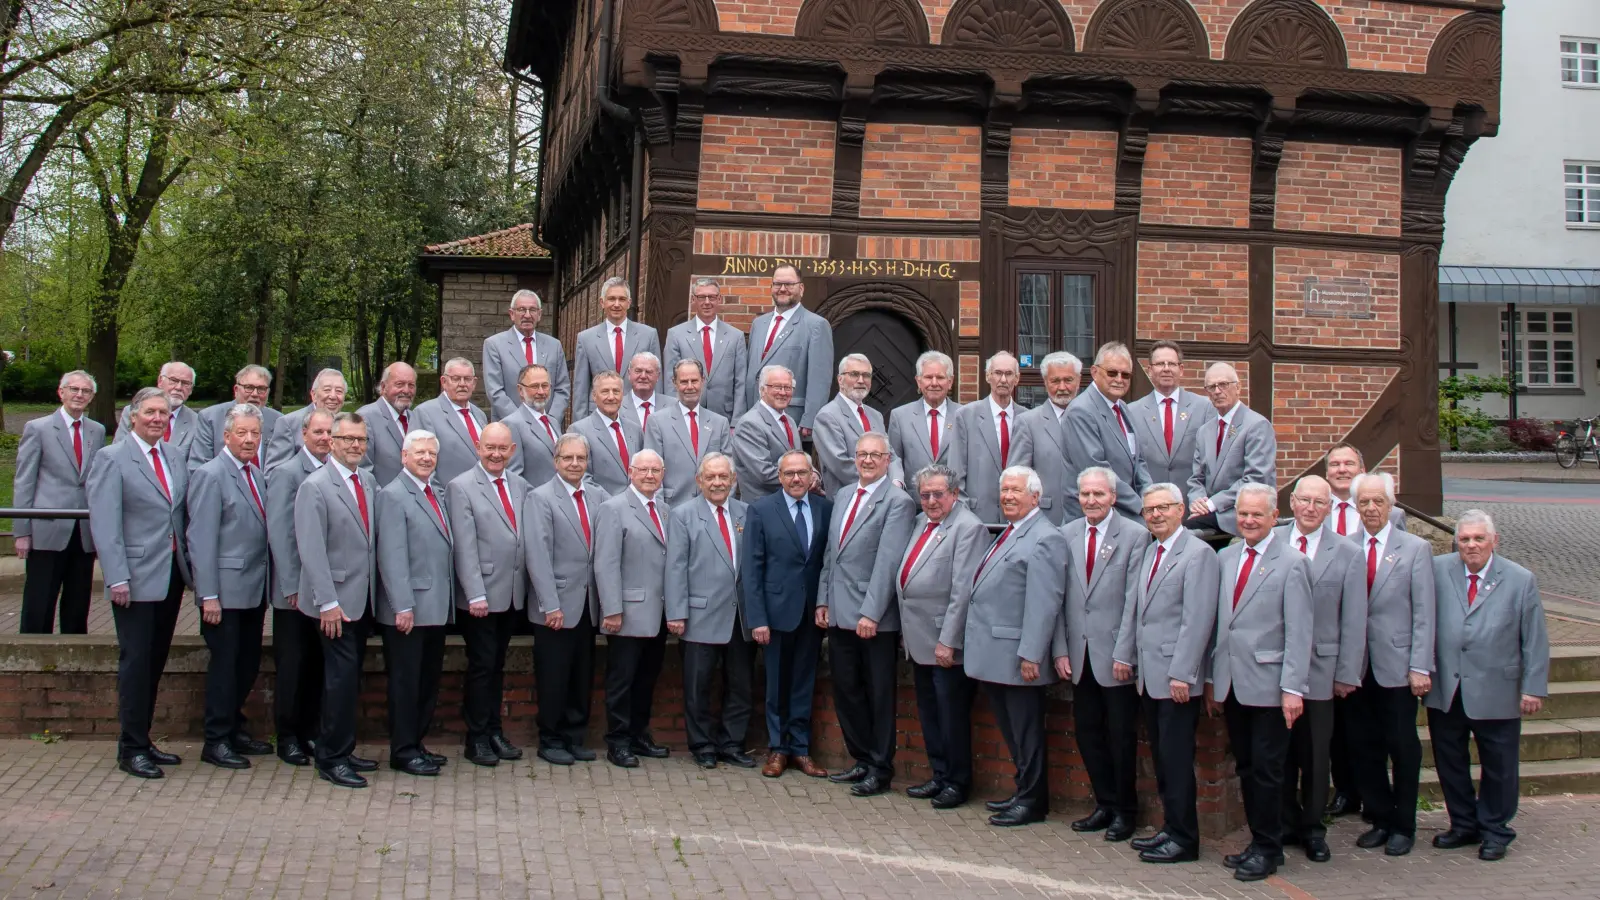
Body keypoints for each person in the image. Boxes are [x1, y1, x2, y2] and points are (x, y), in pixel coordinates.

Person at [1425, 510, 1549, 862]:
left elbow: (1534, 639)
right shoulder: (1437, 570)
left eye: (1479, 538)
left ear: (1495, 541)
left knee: (1499, 764)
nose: (1471, 545)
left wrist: (1533, 687)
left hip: (1498, 687)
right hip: (1448, 687)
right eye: (1464, 539)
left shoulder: (1519, 579)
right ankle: (1463, 823)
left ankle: (1496, 829)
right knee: (1450, 760)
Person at [1207, 483, 1313, 882]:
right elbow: (1221, 624)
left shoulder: (1292, 562)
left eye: (1256, 514)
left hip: (1271, 686)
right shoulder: (1226, 557)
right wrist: (1214, 681)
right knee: (1248, 768)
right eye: (1243, 514)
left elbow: (1299, 632)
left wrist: (1292, 689)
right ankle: (1258, 841)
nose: (1248, 520)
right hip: (1234, 683)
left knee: (1269, 771)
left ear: (1273, 517)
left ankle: (1269, 848)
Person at [88, 387, 193, 779]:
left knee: (154, 660)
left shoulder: (173, 456)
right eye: (149, 412)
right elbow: (106, 524)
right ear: (132, 416)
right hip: (132, 578)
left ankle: (144, 738)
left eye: (163, 413)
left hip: (169, 575)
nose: (157, 418)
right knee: (135, 662)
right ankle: (130, 748)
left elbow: (177, 515)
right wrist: (116, 576)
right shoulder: (112, 458)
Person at [1113, 482, 1220, 863]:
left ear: (1182, 509)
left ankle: (1185, 839)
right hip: (1149, 675)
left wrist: (1184, 674)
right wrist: (1125, 654)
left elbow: (1197, 620)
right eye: (1149, 509)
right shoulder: (1150, 550)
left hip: (1176, 679)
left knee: (1176, 761)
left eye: (1163, 507)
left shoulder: (1198, 554)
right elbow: (1135, 608)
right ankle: (1170, 828)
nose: (1155, 514)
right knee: (1161, 758)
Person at [964, 466, 1066, 827]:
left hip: (1018, 656)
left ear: (1035, 497)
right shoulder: (1011, 531)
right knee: (1012, 731)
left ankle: (1033, 801)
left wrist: (1031, 654)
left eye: (1016, 491)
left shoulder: (1044, 538)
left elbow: (1044, 602)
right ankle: (1023, 790)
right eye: (1004, 490)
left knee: (1027, 732)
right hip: (996, 653)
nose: (1007, 496)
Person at [817, 432, 917, 797]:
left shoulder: (898, 502)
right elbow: (833, 553)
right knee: (847, 689)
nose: (868, 460)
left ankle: (880, 766)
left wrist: (871, 613)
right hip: (840, 611)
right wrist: (823, 600)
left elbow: (888, 562)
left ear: (888, 459)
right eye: (862, 455)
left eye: (876, 455)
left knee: (878, 693)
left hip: (872, 618)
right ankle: (860, 758)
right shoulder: (843, 494)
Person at [1276, 474, 1366, 863]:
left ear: (1330, 508)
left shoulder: (1347, 552)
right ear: (1291, 502)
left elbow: (1355, 618)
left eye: (1320, 502)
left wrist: (1347, 672)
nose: (1311, 508)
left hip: (1321, 671)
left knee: (1315, 755)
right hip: (1274, 668)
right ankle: (1283, 822)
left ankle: (1313, 827)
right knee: (1278, 754)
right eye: (1304, 500)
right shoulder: (1273, 540)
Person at [1052, 466, 1145, 842]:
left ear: (1113, 497)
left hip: (1116, 658)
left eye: (1098, 495)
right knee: (1088, 733)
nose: (1091, 501)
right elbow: (1057, 599)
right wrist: (1060, 649)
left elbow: (1134, 601)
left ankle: (1125, 810)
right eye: (1085, 495)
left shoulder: (1136, 536)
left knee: (1121, 738)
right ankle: (1103, 804)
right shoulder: (1067, 534)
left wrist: (1125, 653)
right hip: (1078, 655)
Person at [1347, 471, 1435, 856]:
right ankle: (1379, 817)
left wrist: (1420, 665)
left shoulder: (1414, 548)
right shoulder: (1347, 547)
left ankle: (1404, 823)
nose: (1370, 508)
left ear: (1391, 504)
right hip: (1355, 667)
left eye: (1377, 501)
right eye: (1363, 502)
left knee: (1402, 746)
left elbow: (1424, 613)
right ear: (1355, 506)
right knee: (1364, 747)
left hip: (1398, 666)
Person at [895, 463, 987, 810]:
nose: (931, 501)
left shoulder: (969, 528)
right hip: (919, 639)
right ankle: (939, 774)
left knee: (951, 716)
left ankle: (957, 782)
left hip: (945, 643)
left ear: (955, 493)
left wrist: (949, 640)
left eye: (938, 494)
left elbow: (962, 590)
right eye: (925, 495)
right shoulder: (922, 522)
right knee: (930, 714)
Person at [295, 411, 380, 788]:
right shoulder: (315, 487)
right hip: (334, 604)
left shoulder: (368, 481)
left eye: (360, 440)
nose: (355, 446)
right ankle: (330, 758)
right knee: (339, 680)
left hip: (361, 600)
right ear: (332, 441)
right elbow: (311, 551)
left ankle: (343, 747)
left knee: (349, 678)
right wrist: (327, 602)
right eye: (348, 440)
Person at [187, 403, 274, 770]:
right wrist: (208, 595)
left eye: (255, 433)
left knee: (246, 664)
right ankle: (216, 739)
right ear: (226, 436)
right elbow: (201, 539)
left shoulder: (255, 472)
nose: (250, 439)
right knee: (225, 667)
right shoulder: (211, 475)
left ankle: (235, 728)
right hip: (223, 592)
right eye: (242, 433)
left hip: (253, 589)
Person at [743, 450, 832, 779]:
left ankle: (801, 749)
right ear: (779, 477)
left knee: (803, 683)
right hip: (776, 615)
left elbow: (827, 562)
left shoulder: (825, 509)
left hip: (811, 615)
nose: (796, 479)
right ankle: (778, 748)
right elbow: (752, 569)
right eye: (789, 473)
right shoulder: (761, 510)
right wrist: (758, 618)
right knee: (777, 684)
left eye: (802, 473)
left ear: (812, 476)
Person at [665, 453, 757, 769]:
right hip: (699, 614)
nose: (717, 483)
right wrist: (676, 613)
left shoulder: (747, 514)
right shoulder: (682, 515)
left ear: (733, 481)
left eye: (723, 477)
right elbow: (675, 567)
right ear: (699, 481)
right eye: (711, 477)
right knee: (698, 685)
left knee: (741, 685)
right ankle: (702, 745)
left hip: (740, 618)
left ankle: (732, 744)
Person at [447, 422, 529, 767]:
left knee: (496, 666)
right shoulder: (461, 487)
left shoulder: (522, 486)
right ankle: (476, 737)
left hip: (511, 594)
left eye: (502, 448)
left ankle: (494, 731)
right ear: (478, 448)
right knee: (482, 666)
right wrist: (475, 594)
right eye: (489, 448)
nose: (496, 454)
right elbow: (464, 547)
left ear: (512, 451)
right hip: (480, 598)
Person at [524, 433, 608, 765]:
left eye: (580, 458)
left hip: (588, 603)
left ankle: (575, 736)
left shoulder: (598, 496)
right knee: (554, 676)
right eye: (568, 458)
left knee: (581, 674)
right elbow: (537, 555)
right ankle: (551, 738)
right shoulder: (540, 498)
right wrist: (550, 603)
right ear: (556, 461)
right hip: (556, 606)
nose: (575, 464)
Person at [593, 449, 673, 768]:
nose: (650, 475)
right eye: (644, 470)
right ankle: (618, 740)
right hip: (626, 612)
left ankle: (639, 734)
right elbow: (605, 562)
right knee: (622, 679)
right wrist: (611, 609)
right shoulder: (613, 508)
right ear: (630, 471)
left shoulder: (665, 510)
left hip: (658, 613)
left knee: (646, 678)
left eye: (656, 470)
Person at [265, 409, 335, 767]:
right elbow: (281, 533)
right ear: (303, 433)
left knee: (317, 665)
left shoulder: (335, 473)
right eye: (318, 432)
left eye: (329, 433)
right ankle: (288, 736)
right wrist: (291, 583)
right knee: (293, 665)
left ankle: (311, 731)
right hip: (294, 592)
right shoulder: (287, 473)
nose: (324, 438)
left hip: (323, 592)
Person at [14, 370, 104, 634]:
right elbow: (24, 481)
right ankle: (32, 655)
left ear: (92, 397)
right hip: (47, 529)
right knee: (39, 601)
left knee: (78, 603)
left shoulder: (96, 431)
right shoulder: (38, 428)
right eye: (73, 389)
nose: (79, 395)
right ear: (61, 392)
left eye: (85, 391)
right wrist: (22, 531)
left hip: (83, 530)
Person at [742, 264, 833, 434]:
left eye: (789, 284)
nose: (782, 289)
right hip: (753, 417)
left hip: (791, 420)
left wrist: (810, 419)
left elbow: (820, 379)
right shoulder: (759, 324)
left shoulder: (816, 325)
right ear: (771, 287)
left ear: (801, 288)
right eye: (777, 284)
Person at [1186, 363, 1275, 535]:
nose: (1217, 391)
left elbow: (1256, 479)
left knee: (1185, 533)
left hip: (1240, 512)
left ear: (1238, 387)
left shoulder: (1257, 425)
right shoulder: (1205, 431)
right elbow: (1196, 478)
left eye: (1223, 384)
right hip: (1207, 512)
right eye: (1211, 387)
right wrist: (1197, 501)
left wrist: (1211, 504)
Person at [1064, 342, 1149, 522]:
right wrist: (1141, 506)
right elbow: (1097, 469)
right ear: (1094, 372)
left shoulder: (1123, 408)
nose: (1119, 379)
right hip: (1095, 518)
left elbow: (1138, 462)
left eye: (1125, 375)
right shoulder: (1081, 411)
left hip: (1126, 515)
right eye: (1112, 373)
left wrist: (1150, 498)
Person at [947, 351, 1023, 523]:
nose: (1003, 380)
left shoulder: (1027, 418)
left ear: (1017, 379)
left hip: (1018, 517)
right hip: (977, 517)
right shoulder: (966, 416)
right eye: (998, 373)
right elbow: (956, 473)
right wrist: (964, 517)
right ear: (988, 376)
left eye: (1009, 374)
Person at [572, 276, 660, 421]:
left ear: (629, 303)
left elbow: (657, 381)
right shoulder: (586, 338)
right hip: (599, 415)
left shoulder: (648, 335)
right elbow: (581, 388)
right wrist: (579, 426)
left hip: (638, 416)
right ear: (602, 302)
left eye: (622, 299)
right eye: (612, 299)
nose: (617, 304)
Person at [644, 359, 731, 505]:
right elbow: (652, 471)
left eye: (694, 381)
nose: (690, 387)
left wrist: (722, 502)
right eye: (684, 381)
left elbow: (730, 471)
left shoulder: (719, 423)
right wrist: (660, 511)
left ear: (703, 381)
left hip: (713, 506)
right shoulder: (657, 422)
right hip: (672, 507)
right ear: (674, 382)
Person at [1128, 341, 1212, 491]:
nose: (1166, 369)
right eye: (1160, 364)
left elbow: (1209, 460)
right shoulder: (1132, 412)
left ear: (1181, 369)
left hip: (1192, 502)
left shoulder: (1204, 408)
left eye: (1172, 364)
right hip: (1150, 502)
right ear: (1150, 370)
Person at [812, 354, 901, 496]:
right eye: (854, 374)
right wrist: (883, 486)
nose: (861, 380)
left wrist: (896, 482)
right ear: (840, 380)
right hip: (849, 499)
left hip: (884, 497)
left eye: (866, 375)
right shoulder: (827, 416)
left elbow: (891, 456)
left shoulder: (875, 416)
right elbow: (841, 465)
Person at [1010, 351, 1083, 525]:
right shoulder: (1027, 423)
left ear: (1079, 381)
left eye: (1068, 380)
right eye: (1055, 381)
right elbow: (1017, 477)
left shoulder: (1093, 420)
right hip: (1044, 520)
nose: (1062, 387)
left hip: (1088, 519)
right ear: (1045, 382)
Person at [661, 277, 748, 420]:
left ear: (719, 299)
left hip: (724, 415)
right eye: (701, 297)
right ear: (693, 300)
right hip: (686, 414)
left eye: (712, 297)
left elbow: (740, 382)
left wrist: (736, 421)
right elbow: (671, 380)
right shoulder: (676, 335)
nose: (707, 302)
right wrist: (673, 417)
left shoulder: (735, 336)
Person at [483, 288, 569, 423]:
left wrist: (550, 419)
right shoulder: (494, 345)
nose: (527, 315)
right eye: (522, 309)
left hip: (547, 425)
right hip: (510, 426)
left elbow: (562, 389)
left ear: (539, 314)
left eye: (532, 310)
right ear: (512, 314)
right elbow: (495, 392)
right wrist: (523, 423)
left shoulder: (554, 345)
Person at [411, 358, 488, 489]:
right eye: (456, 379)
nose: (462, 384)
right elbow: (420, 464)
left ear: (474, 383)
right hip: (448, 497)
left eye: (467, 379)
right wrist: (439, 498)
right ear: (444, 382)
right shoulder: (425, 413)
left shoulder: (480, 415)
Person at [189, 365, 282, 472]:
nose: (255, 394)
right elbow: (198, 466)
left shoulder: (278, 421)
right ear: (236, 390)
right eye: (249, 388)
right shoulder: (210, 418)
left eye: (261, 389)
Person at [732, 365, 801, 502]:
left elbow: (799, 460)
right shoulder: (750, 424)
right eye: (777, 387)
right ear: (762, 390)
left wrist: (813, 474)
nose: (783, 392)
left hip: (788, 503)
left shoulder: (789, 421)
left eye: (787, 388)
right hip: (763, 508)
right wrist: (805, 479)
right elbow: (764, 474)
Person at [887, 351, 960, 478]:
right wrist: (897, 485)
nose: (934, 383)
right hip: (912, 496)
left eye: (940, 377)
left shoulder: (963, 415)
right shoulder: (900, 417)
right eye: (928, 377)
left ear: (950, 381)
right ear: (919, 381)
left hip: (952, 495)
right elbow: (894, 460)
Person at [568, 371, 640, 496]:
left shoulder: (635, 429)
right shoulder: (579, 430)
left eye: (616, 391)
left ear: (622, 395)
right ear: (594, 396)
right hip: (602, 508)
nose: (611, 397)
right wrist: (614, 504)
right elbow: (582, 476)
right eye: (605, 391)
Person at [265, 368, 348, 471]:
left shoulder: (347, 424)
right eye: (327, 390)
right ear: (313, 395)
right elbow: (274, 473)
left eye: (339, 391)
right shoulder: (289, 423)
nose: (333, 396)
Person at [115, 362, 199, 462]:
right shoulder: (132, 411)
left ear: (191, 389)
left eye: (186, 383)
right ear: (160, 381)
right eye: (173, 380)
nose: (179, 387)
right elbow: (119, 453)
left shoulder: (197, 421)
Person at [356, 361, 418, 487]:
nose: (406, 390)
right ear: (383, 387)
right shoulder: (365, 418)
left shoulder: (416, 418)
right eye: (399, 384)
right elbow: (362, 472)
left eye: (411, 385)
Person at [1326, 442, 1407, 537]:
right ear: (1327, 473)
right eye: (1335, 464)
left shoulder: (1393, 515)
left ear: (1362, 470)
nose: (1342, 470)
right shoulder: (1311, 511)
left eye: (1349, 464)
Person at [502, 363, 562, 488]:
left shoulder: (553, 422)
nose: (541, 391)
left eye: (545, 386)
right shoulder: (512, 424)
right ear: (520, 390)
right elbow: (514, 477)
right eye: (534, 386)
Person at [618, 351, 669, 433]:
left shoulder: (673, 405)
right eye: (638, 371)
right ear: (629, 374)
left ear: (658, 376)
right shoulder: (617, 406)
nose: (643, 376)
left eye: (649, 372)